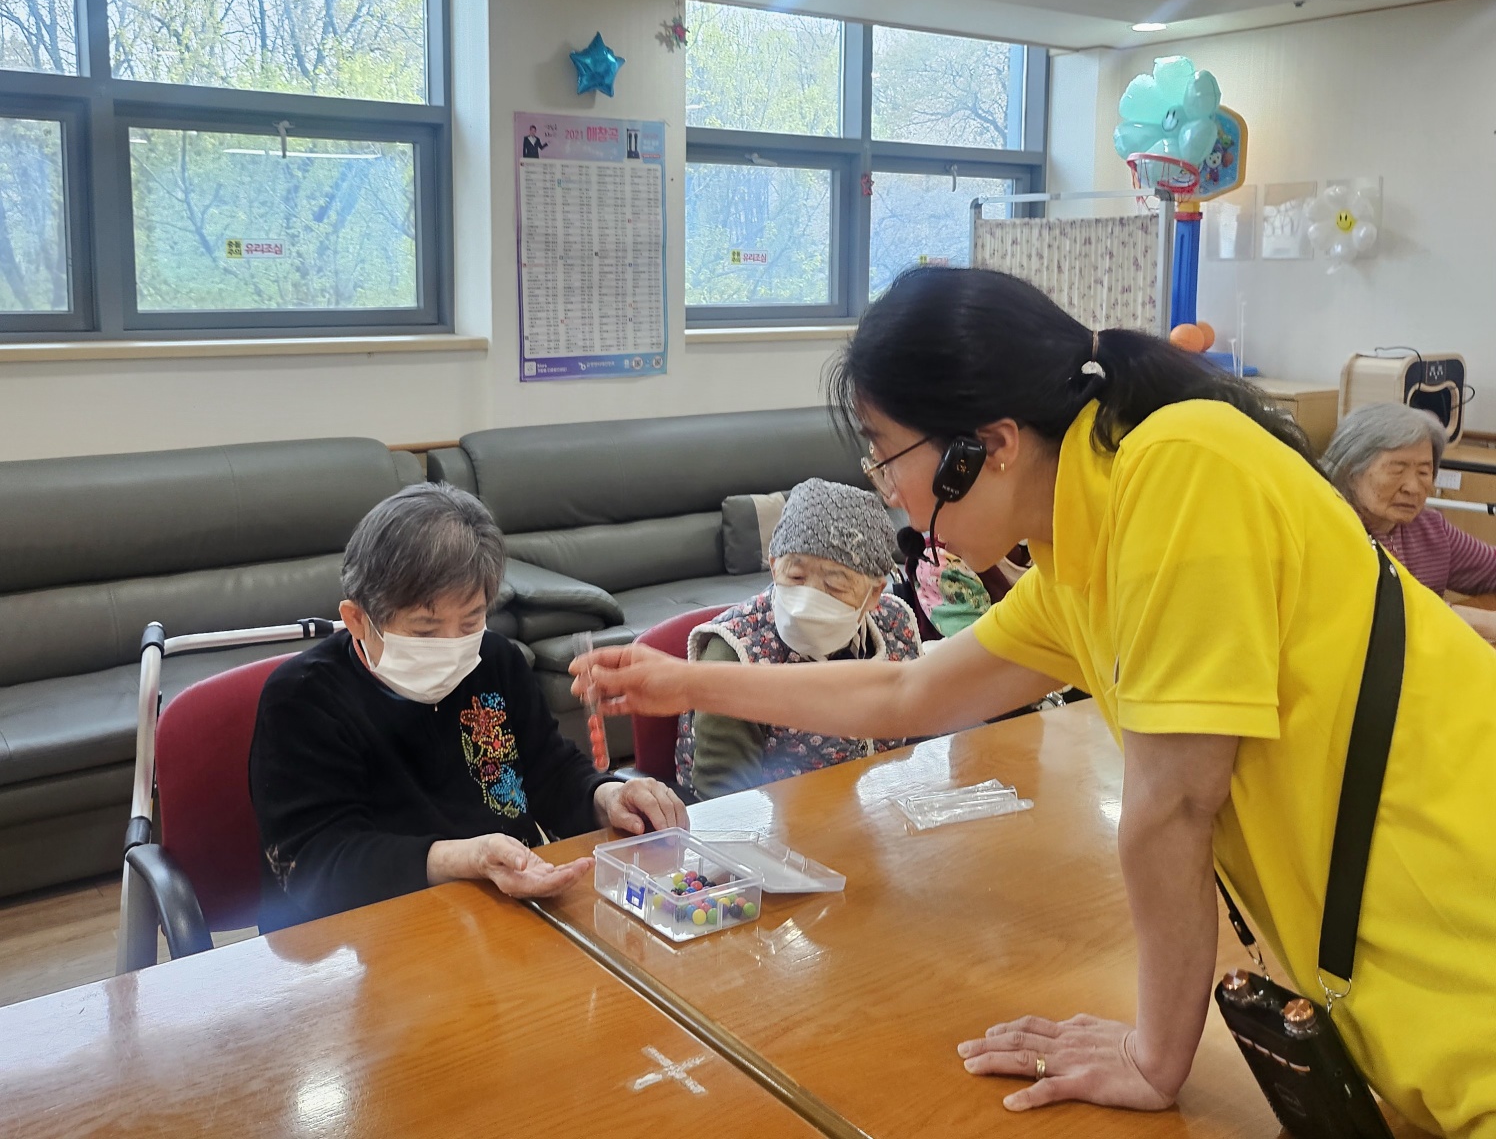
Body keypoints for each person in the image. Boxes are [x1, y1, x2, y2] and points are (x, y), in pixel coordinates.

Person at [575, 266, 1496, 1137]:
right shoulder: (1079, 557)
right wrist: (685, 680)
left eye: (887, 456)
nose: (888, 492)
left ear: (990, 447)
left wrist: (1152, 1057)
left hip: (1458, 922)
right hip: (1399, 980)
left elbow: (1173, 804)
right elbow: (909, 688)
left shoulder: (1178, 469)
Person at [250, 483, 685, 931]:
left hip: (502, 905)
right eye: (424, 631)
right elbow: (317, 864)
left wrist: (607, 796)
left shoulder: (495, 661)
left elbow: (549, 771)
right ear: (357, 619)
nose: (452, 647)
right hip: (366, 935)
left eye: (471, 622)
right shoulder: (303, 698)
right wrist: (466, 857)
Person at [677, 478, 920, 799]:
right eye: (795, 576)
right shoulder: (735, 653)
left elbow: (925, 741)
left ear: (874, 594)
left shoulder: (895, 627)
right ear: (774, 566)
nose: (809, 599)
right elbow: (725, 799)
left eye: (835, 586)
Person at [1323, 401, 1496, 644]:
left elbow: (1491, 568)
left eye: (1424, 472)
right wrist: (1473, 620)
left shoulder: (1427, 527)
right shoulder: (1331, 528)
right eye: (1397, 470)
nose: (1413, 488)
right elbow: (1378, 618)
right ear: (1350, 471)